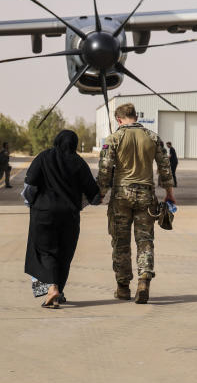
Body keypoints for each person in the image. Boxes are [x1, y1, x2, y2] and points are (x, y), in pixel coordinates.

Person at [98, 103, 175, 305]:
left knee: (121, 242)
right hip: (146, 196)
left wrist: (100, 192)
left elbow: (105, 169)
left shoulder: (114, 139)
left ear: (119, 119)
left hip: (121, 196)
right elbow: (165, 166)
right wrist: (169, 193)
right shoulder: (152, 137)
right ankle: (143, 281)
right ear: (135, 116)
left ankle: (123, 287)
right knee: (145, 240)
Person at [24, 130, 101, 308]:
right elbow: (93, 194)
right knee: (64, 254)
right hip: (69, 216)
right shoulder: (79, 162)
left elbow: (31, 182)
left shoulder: (43, 157)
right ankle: (58, 293)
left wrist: (31, 202)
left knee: (45, 252)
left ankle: (52, 289)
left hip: (43, 214)